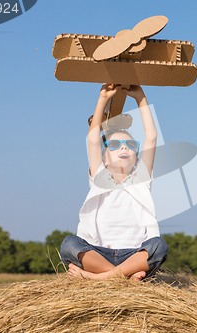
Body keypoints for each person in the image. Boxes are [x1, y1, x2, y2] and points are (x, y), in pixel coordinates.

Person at [60, 84, 168, 281]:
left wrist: (141, 98)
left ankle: (102, 278)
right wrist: (102, 98)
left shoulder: (140, 180)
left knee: (159, 246)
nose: (123, 148)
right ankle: (122, 277)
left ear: (136, 157)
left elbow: (151, 137)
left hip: (133, 254)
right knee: (69, 244)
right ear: (105, 160)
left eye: (130, 145)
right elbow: (93, 139)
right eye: (115, 145)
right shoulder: (100, 178)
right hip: (99, 253)